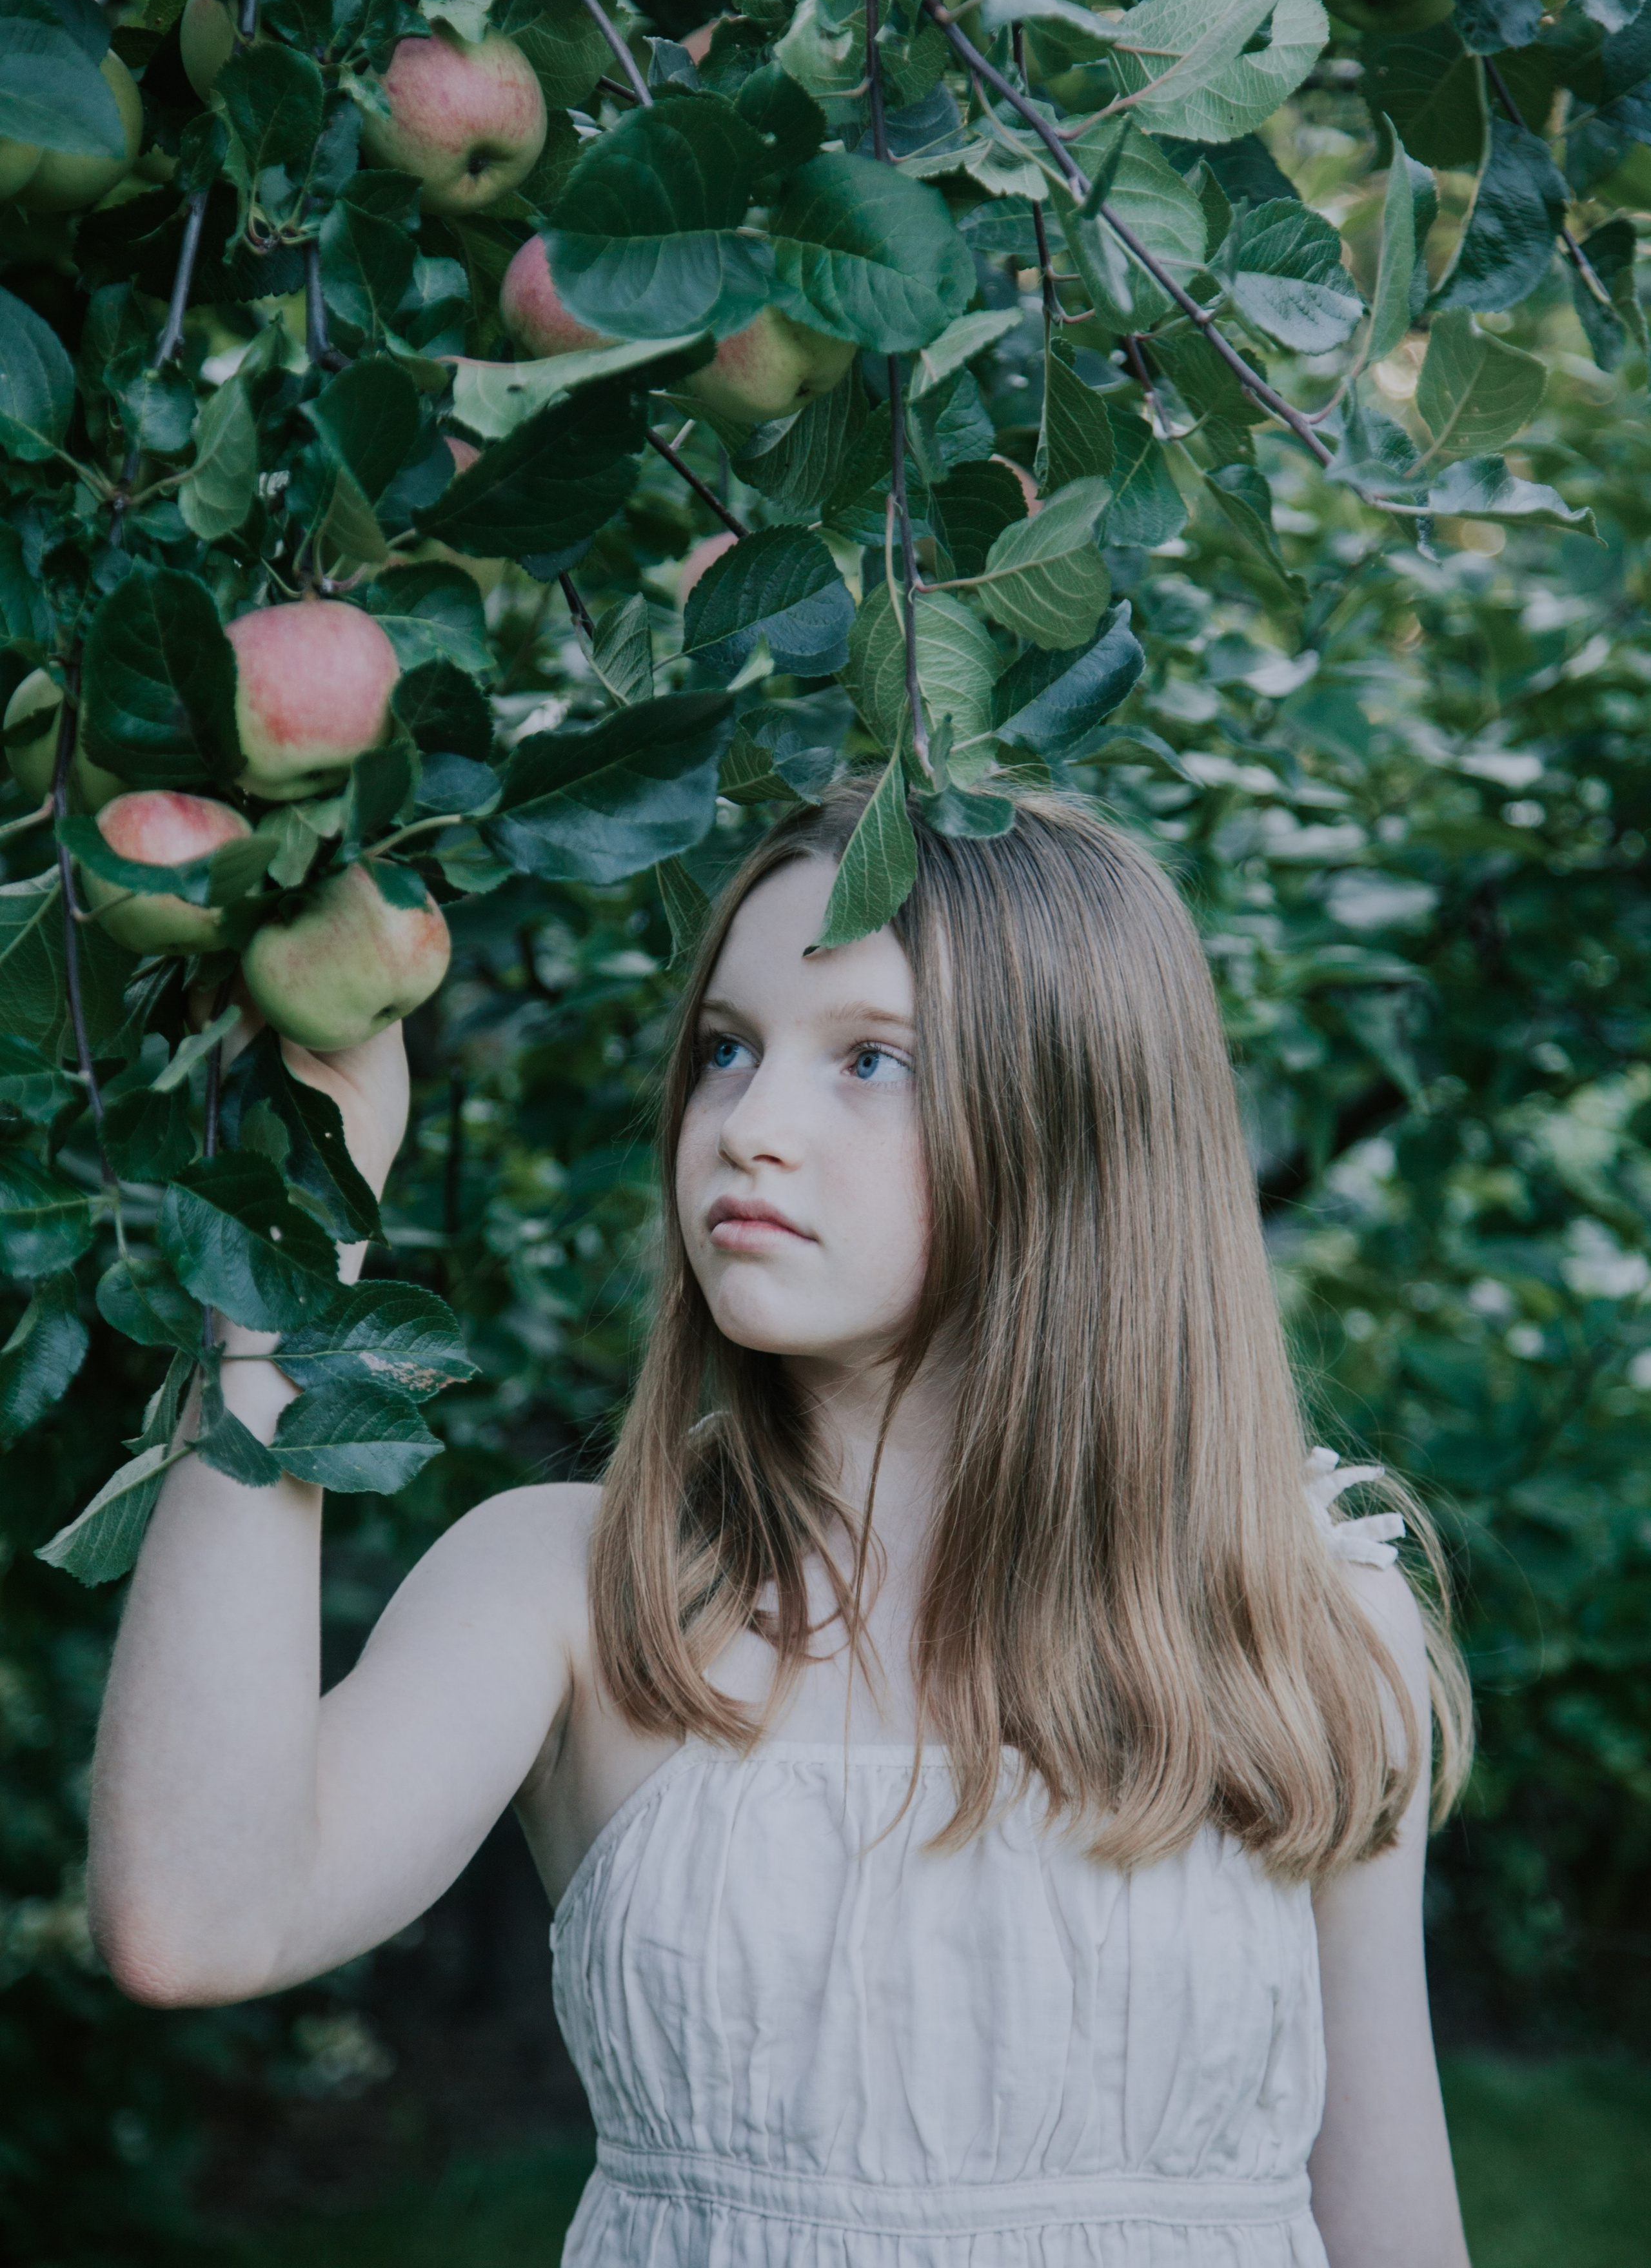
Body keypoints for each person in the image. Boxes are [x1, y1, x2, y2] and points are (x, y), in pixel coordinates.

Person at [89, 780, 1476, 2268]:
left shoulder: (1302, 1615)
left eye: (869, 1061)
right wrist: (280, 1273)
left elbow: (1388, 2211)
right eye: (725, 1051)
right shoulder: (578, 1585)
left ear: (1079, 1127)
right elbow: (196, 1922)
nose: (748, 1126)